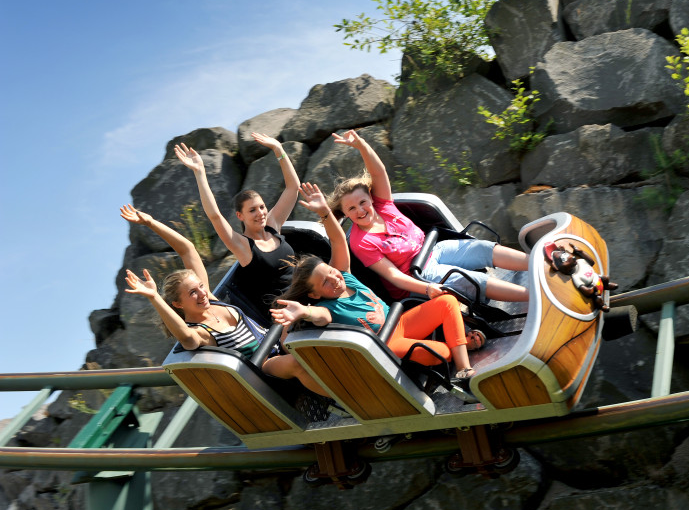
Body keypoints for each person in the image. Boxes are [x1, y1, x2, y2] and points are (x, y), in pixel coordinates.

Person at [271, 183, 484, 381]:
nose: (334, 279)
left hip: (399, 321)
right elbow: (317, 316)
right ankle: (457, 345)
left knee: (447, 301)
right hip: (386, 343)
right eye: (325, 282)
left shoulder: (344, 275)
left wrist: (325, 213)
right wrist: (303, 312)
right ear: (315, 295)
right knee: (440, 353)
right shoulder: (326, 308)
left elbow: (336, 240)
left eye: (331, 272)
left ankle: (463, 367)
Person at [119, 204, 330, 397]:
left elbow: (187, 249)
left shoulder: (211, 301)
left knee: (311, 313)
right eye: (193, 292)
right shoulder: (201, 331)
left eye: (201, 287)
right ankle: (347, 401)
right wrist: (155, 297)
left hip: (274, 341)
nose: (202, 293)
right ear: (178, 304)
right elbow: (186, 338)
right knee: (296, 362)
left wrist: (149, 222)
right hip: (262, 366)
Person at [327, 129, 530, 303]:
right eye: (351, 209)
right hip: (417, 275)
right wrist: (426, 289)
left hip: (432, 250)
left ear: (371, 199)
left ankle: (539, 263)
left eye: (362, 202)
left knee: (481, 247)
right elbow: (393, 275)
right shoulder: (360, 242)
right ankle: (533, 296)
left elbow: (379, 173)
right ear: (344, 213)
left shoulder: (382, 205)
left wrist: (362, 146)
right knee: (467, 279)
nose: (360, 210)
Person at [174, 132, 299, 322]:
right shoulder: (242, 246)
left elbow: (292, 188)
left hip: (303, 295)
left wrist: (278, 150)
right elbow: (215, 216)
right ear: (240, 216)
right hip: (282, 315)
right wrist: (199, 173)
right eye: (252, 211)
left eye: (262, 207)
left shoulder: (273, 225)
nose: (261, 213)